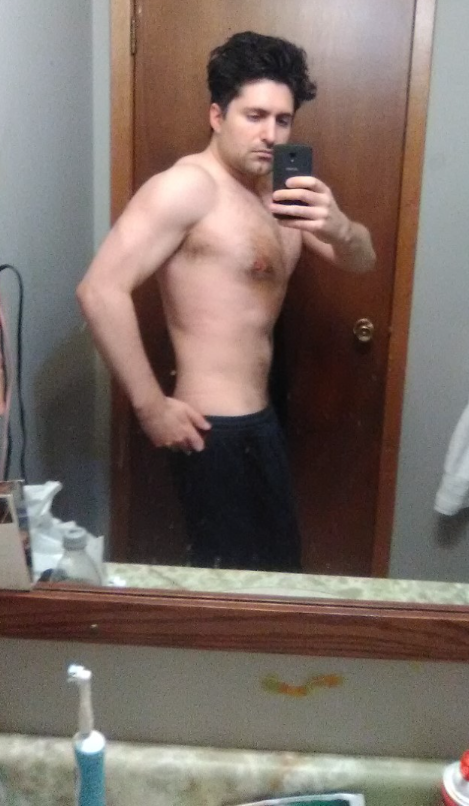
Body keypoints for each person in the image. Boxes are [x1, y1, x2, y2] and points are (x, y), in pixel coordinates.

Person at [77, 31, 376, 571]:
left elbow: (362, 260)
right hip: (212, 429)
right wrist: (150, 407)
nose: (269, 134)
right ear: (217, 115)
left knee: (280, 578)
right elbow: (99, 290)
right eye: (254, 116)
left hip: (262, 420)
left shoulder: (283, 194)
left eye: (282, 120)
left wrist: (340, 226)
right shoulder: (188, 188)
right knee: (233, 592)